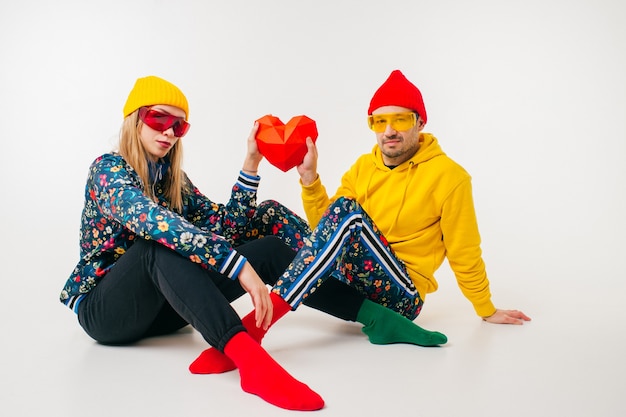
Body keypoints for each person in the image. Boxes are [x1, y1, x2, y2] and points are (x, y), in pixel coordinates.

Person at [188, 69, 530, 375]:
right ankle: (201, 300)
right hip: (355, 279)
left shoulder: (451, 178)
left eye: (400, 119)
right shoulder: (364, 167)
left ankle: (255, 330)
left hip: (402, 294)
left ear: (420, 122)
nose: (389, 131)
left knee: (347, 211)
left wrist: (486, 308)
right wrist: (310, 180)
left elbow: (464, 250)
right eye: (379, 122)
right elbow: (328, 229)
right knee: (270, 212)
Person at [58, 75, 326, 411]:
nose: (168, 132)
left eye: (179, 126)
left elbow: (226, 227)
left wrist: (251, 163)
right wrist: (237, 266)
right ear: (134, 120)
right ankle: (252, 363)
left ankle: (371, 315)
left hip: (163, 312)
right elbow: (152, 221)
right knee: (156, 245)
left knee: (269, 248)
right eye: (158, 119)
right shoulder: (108, 170)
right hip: (107, 314)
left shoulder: (174, 181)